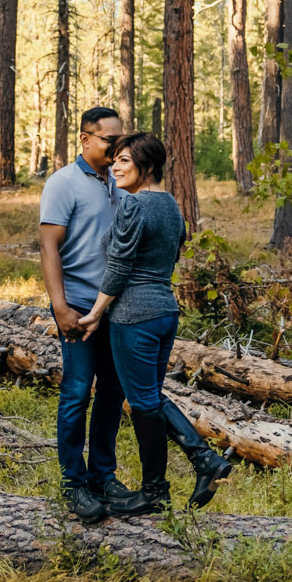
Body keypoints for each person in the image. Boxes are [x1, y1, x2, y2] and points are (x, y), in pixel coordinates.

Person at [77, 131, 233, 514]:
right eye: (114, 160)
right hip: (165, 311)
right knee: (149, 398)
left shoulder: (134, 207)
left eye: (124, 160)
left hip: (134, 315)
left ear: (146, 165)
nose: (115, 166)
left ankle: (159, 488)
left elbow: (118, 267)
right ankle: (194, 466)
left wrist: (96, 313)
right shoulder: (171, 206)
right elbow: (172, 253)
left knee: (144, 401)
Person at [38, 106, 128, 523]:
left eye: (119, 138)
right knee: (77, 391)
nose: (116, 145)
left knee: (113, 392)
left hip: (117, 308)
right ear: (85, 139)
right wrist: (60, 307)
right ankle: (74, 484)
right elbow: (49, 248)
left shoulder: (121, 183)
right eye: (109, 139)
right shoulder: (63, 183)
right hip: (77, 306)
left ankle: (102, 476)